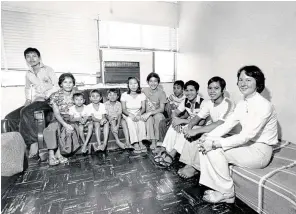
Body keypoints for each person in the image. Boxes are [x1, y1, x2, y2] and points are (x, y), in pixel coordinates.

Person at [197, 66, 278, 204]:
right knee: (205, 145)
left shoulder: (264, 105)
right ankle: (217, 187)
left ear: (257, 82)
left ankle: (227, 194)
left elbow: (246, 136)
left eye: (248, 79)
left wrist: (215, 143)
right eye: (240, 79)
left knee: (214, 150)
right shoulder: (242, 103)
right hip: (248, 145)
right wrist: (208, 136)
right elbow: (228, 124)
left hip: (260, 152)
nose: (243, 83)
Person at [4, 47, 59, 159]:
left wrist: (46, 95)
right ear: (25, 59)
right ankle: (19, 145)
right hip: (35, 101)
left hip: (47, 100)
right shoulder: (28, 74)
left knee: (25, 111)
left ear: (39, 57)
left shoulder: (48, 69)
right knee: (10, 117)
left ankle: (33, 143)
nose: (31, 59)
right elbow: (28, 89)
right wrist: (28, 100)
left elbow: (56, 86)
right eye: (28, 56)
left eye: (34, 56)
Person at [177, 76, 235, 178]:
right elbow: (197, 117)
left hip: (228, 134)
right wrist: (189, 127)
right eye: (210, 88)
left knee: (202, 135)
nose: (212, 91)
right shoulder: (209, 103)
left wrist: (196, 131)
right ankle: (189, 163)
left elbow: (219, 124)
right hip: (216, 131)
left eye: (216, 88)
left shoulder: (228, 103)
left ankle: (196, 168)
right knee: (192, 130)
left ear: (223, 90)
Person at [154, 80, 204, 167]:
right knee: (173, 127)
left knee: (186, 128)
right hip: (190, 124)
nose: (189, 93)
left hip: (199, 128)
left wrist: (182, 121)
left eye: (191, 90)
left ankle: (171, 155)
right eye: (187, 91)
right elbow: (175, 113)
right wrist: (176, 121)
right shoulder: (185, 101)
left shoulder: (203, 103)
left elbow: (201, 122)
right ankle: (165, 150)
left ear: (197, 91)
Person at [43, 73, 77, 166]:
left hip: (72, 118)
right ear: (61, 84)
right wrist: (65, 124)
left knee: (65, 130)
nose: (68, 84)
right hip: (59, 117)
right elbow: (56, 113)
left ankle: (58, 153)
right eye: (65, 82)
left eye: (70, 82)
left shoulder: (77, 94)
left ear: (73, 84)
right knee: (52, 128)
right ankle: (51, 155)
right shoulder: (55, 95)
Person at [157, 80, 186, 152]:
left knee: (170, 125)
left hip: (181, 116)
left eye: (178, 88)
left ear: (182, 89)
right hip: (171, 115)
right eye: (174, 88)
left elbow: (185, 112)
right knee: (162, 122)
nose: (175, 90)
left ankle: (169, 146)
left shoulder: (185, 98)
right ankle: (162, 143)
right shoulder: (172, 96)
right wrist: (170, 105)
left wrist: (176, 107)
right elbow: (166, 106)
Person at [141, 73, 167, 152]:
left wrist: (150, 113)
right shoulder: (144, 90)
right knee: (149, 119)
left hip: (157, 112)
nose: (153, 83)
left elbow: (162, 109)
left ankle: (156, 141)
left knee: (158, 117)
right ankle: (152, 140)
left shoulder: (161, 92)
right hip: (146, 113)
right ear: (147, 82)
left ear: (158, 82)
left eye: (155, 81)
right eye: (151, 81)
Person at [121, 77, 147, 154]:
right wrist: (130, 115)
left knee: (141, 120)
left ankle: (141, 141)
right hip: (127, 113)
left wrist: (139, 114)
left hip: (138, 112)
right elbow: (123, 109)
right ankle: (135, 142)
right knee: (130, 120)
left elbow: (143, 108)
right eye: (131, 84)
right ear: (128, 85)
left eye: (135, 83)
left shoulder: (142, 94)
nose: (133, 85)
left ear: (138, 85)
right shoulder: (124, 95)